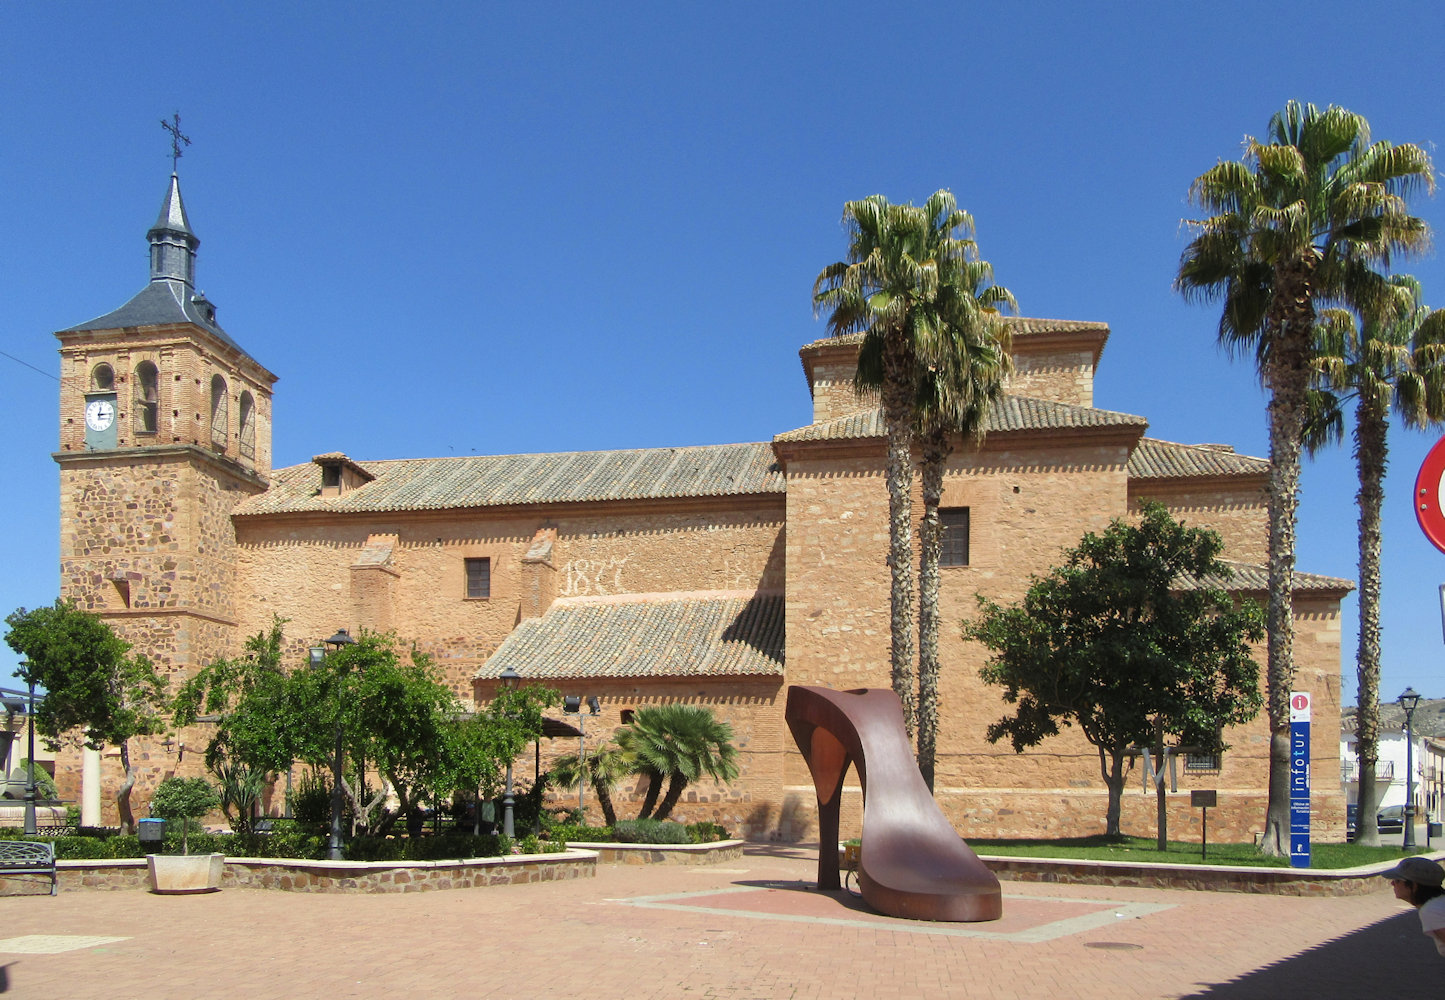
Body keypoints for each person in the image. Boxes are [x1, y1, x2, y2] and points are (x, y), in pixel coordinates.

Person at [1382, 856, 1445, 956]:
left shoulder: (1431, 910)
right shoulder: (1437, 904)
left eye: (1397, 880)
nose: (1392, 883)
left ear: (1414, 886)